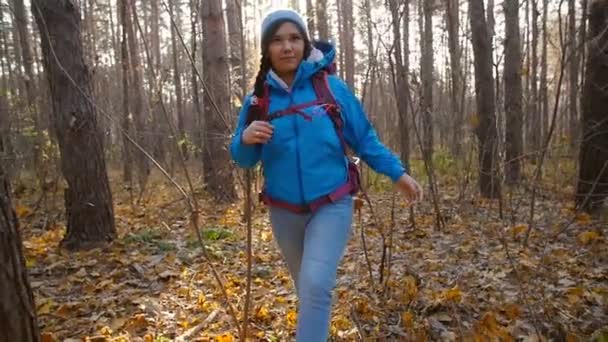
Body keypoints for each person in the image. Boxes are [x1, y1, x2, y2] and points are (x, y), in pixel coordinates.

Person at [229, 8, 423, 341]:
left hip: (331, 203)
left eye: (294, 38)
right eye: (277, 40)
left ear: (305, 43)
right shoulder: (258, 99)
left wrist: (398, 174)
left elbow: (364, 138)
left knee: (316, 285)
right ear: (266, 49)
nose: (287, 47)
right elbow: (244, 159)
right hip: (283, 209)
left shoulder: (331, 89)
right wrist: (244, 139)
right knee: (308, 290)